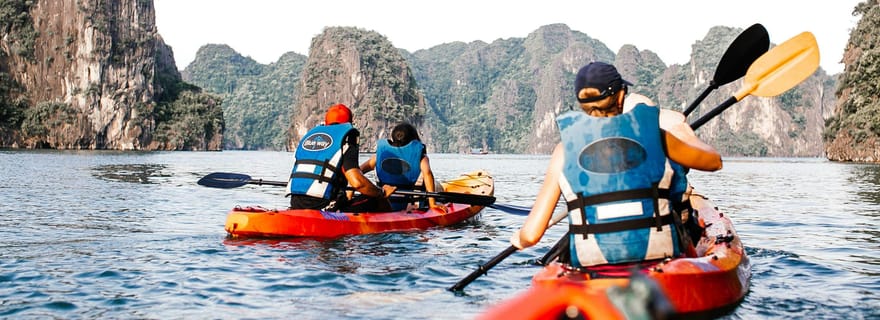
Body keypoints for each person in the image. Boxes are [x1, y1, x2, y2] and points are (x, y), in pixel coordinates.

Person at [510, 62, 722, 268]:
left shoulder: (564, 150)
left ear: (582, 104)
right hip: (659, 259)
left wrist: (520, 239)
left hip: (592, 263)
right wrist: (685, 134)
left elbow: (531, 235)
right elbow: (714, 162)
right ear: (621, 95)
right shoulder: (656, 137)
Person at [287, 103, 395, 212]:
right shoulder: (346, 138)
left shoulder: (311, 137)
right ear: (349, 123)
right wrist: (382, 192)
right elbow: (357, 183)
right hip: (324, 208)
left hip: (296, 204)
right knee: (377, 198)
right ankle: (394, 222)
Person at [360, 122, 446, 212]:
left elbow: (359, 170)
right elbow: (427, 174)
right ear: (413, 138)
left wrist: (352, 190)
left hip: (384, 202)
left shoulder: (379, 156)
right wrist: (432, 203)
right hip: (407, 204)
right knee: (437, 190)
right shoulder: (421, 157)